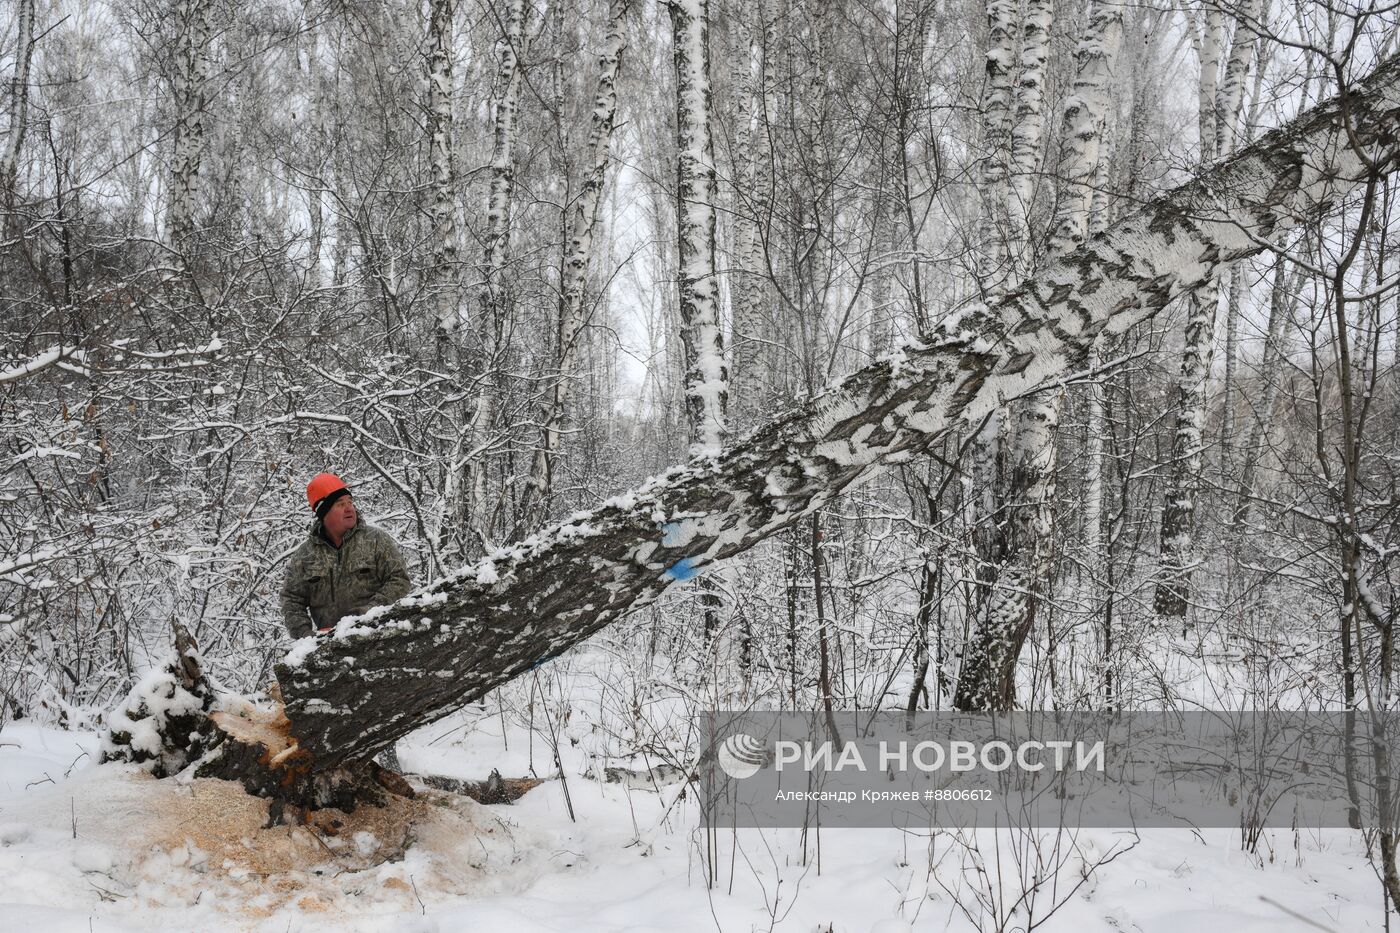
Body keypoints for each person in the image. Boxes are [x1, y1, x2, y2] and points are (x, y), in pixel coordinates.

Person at [281, 472, 412, 639]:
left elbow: (399, 580)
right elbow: (291, 599)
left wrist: (368, 614)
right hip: (328, 645)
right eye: (340, 504)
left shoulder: (375, 540)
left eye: (350, 502)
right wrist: (306, 636)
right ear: (324, 512)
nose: (350, 508)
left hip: (379, 637)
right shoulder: (305, 555)